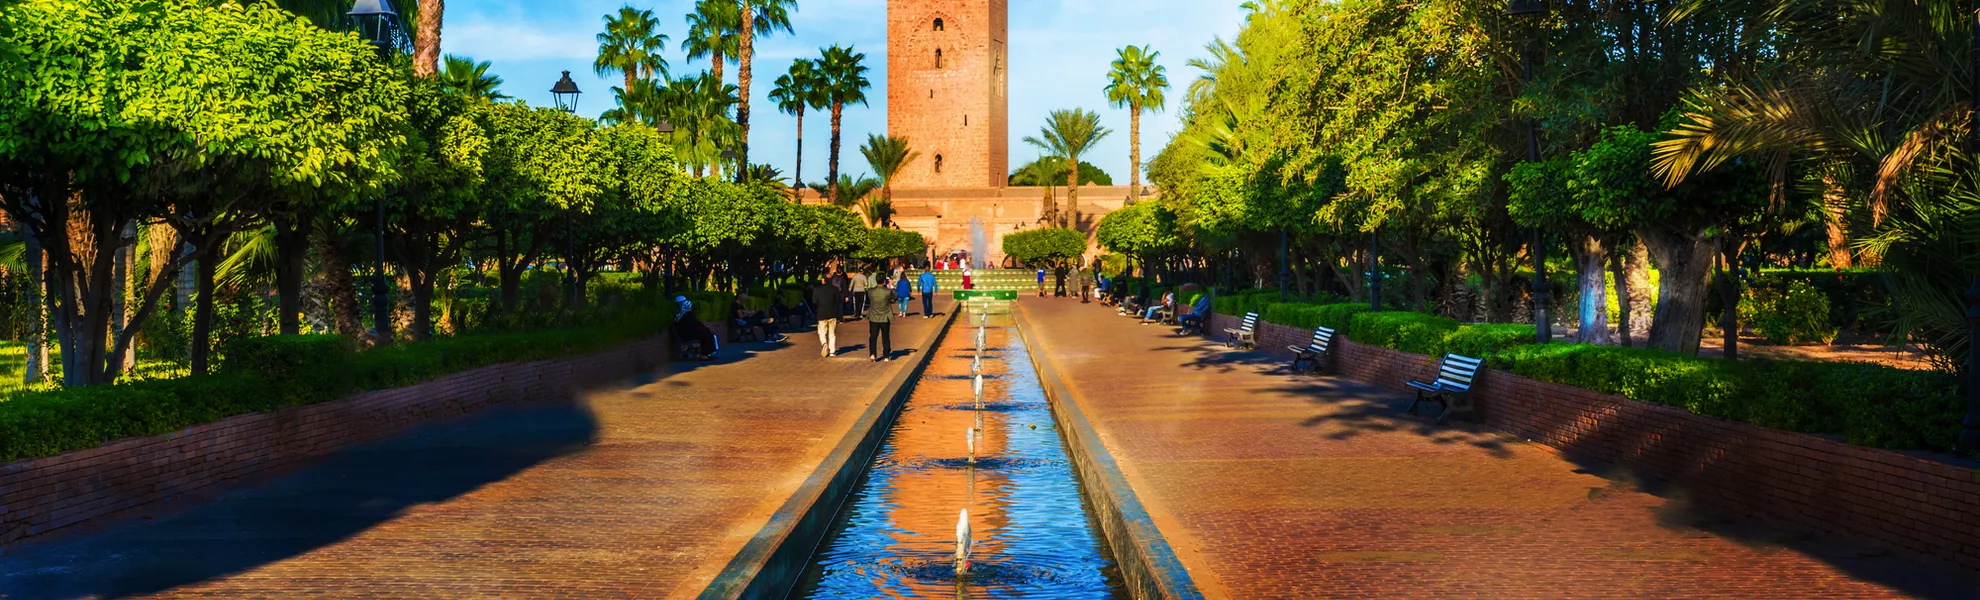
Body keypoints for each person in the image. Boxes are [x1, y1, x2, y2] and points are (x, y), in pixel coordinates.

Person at [673, 296, 718, 360]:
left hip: (684, 334)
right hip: (687, 335)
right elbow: (693, 325)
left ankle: (699, 353)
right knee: (707, 335)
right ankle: (703, 354)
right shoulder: (687, 314)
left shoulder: (679, 315)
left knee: (706, 333)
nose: (690, 307)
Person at [809, 277, 843, 357]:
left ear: (823, 280)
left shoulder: (817, 289)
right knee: (832, 333)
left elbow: (814, 301)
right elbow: (838, 300)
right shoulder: (835, 289)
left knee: (822, 331)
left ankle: (824, 343)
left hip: (821, 313)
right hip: (833, 314)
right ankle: (832, 351)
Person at [866, 277, 898, 361]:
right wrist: (891, 286)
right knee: (885, 336)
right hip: (885, 316)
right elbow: (895, 296)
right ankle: (886, 355)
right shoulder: (887, 292)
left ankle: (873, 354)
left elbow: (868, 299)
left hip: (873, 316)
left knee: (873, 336)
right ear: (884, 281)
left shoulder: (871, 291)